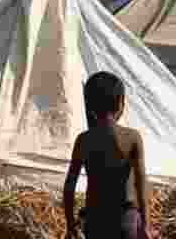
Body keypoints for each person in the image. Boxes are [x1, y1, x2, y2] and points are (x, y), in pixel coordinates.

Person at [63, 72, 153, 239]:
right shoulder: (132, 137)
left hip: (96, 220)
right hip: (126, 220)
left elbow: (69, 188)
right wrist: (146, 225)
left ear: (89, 107)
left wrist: (70, 226)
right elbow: (141, 185)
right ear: (120, 104)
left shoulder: (84, 140)